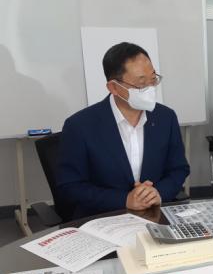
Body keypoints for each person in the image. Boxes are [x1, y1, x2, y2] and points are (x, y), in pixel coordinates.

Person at [57, 42, 190, 220]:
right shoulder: (80, 126)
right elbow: (70, 186)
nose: (150, 89)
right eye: (141, 84)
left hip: (155, 214)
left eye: (153, 80)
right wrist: (124, 199)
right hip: (103, 218)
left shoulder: (166, 117)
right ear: (113, 87)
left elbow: (178, 169)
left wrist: (158, 193)